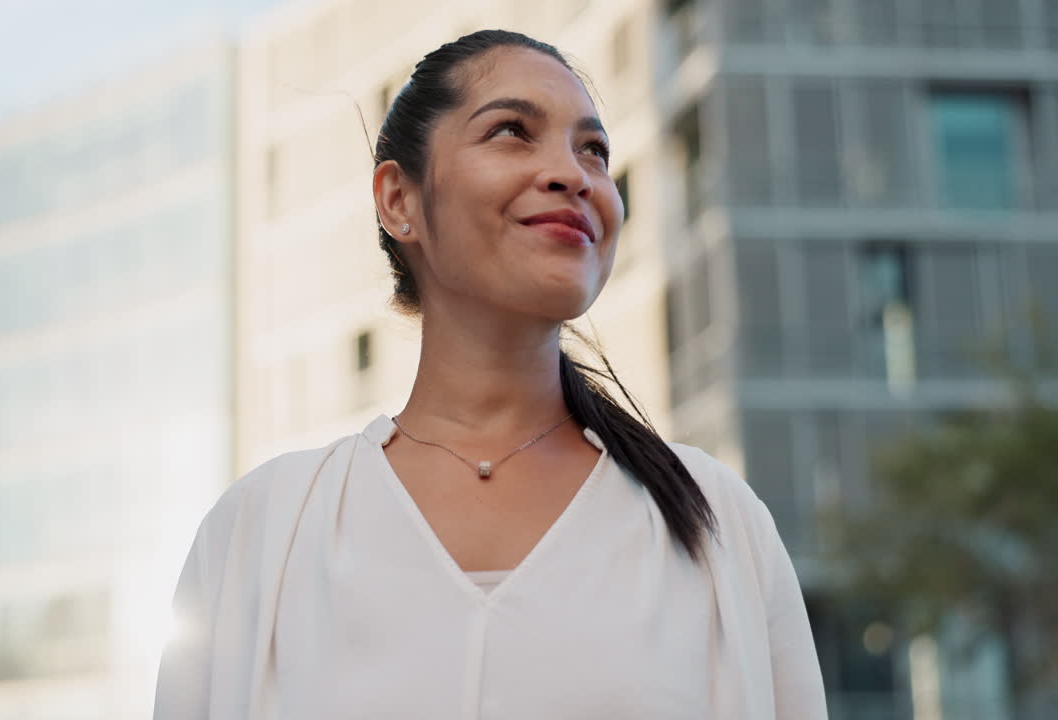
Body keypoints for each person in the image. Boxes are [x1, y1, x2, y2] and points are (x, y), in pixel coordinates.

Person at [153, 29, 828, 719]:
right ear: (399, 200)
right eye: (512, 131)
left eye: (593, 149)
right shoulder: (264, 531)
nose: (574, 174)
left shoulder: (716, 524)